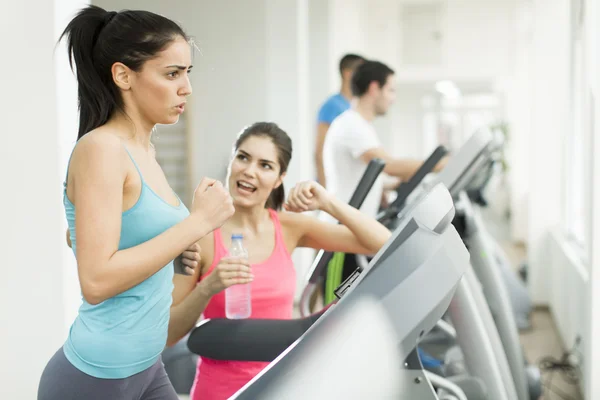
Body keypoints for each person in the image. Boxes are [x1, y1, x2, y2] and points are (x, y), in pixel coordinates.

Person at [38, 6, 234, 400]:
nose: (186, 88)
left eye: (187, 74)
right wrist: (193, 226)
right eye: (172, 73)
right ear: (123, 75)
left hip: (147, 366)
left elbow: (81, 237)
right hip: (95, 377)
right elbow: (95, 281)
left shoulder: (144, 151)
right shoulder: (101, 149)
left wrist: (177, 250)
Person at [167, 122, 392, 400]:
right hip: (221, 392)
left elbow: (384, 243)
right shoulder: (198, 235)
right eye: (243, 157)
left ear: (279, 178)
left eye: (265, 165)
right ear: (232, 161)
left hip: (284, 387)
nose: (249, 171)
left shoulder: (289, 228)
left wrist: (327, 202)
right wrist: (207, 288)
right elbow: (169, 333)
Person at [321, 60, 446, 284]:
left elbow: (363, 176)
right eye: (390, 90)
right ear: (373, 88)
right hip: (340, 233)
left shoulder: (361, 126)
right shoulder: (352, 125)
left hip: (352, 230)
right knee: (337, 311)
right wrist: (440, 164)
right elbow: (390, 166)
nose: (393, 98)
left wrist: (388, 187)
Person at [314, 53, 366, 188]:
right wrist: (326, 193)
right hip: (332, 188)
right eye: (361, 73)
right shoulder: (332, 105)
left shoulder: (354, 107)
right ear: (348, 74)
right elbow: (320, 152)